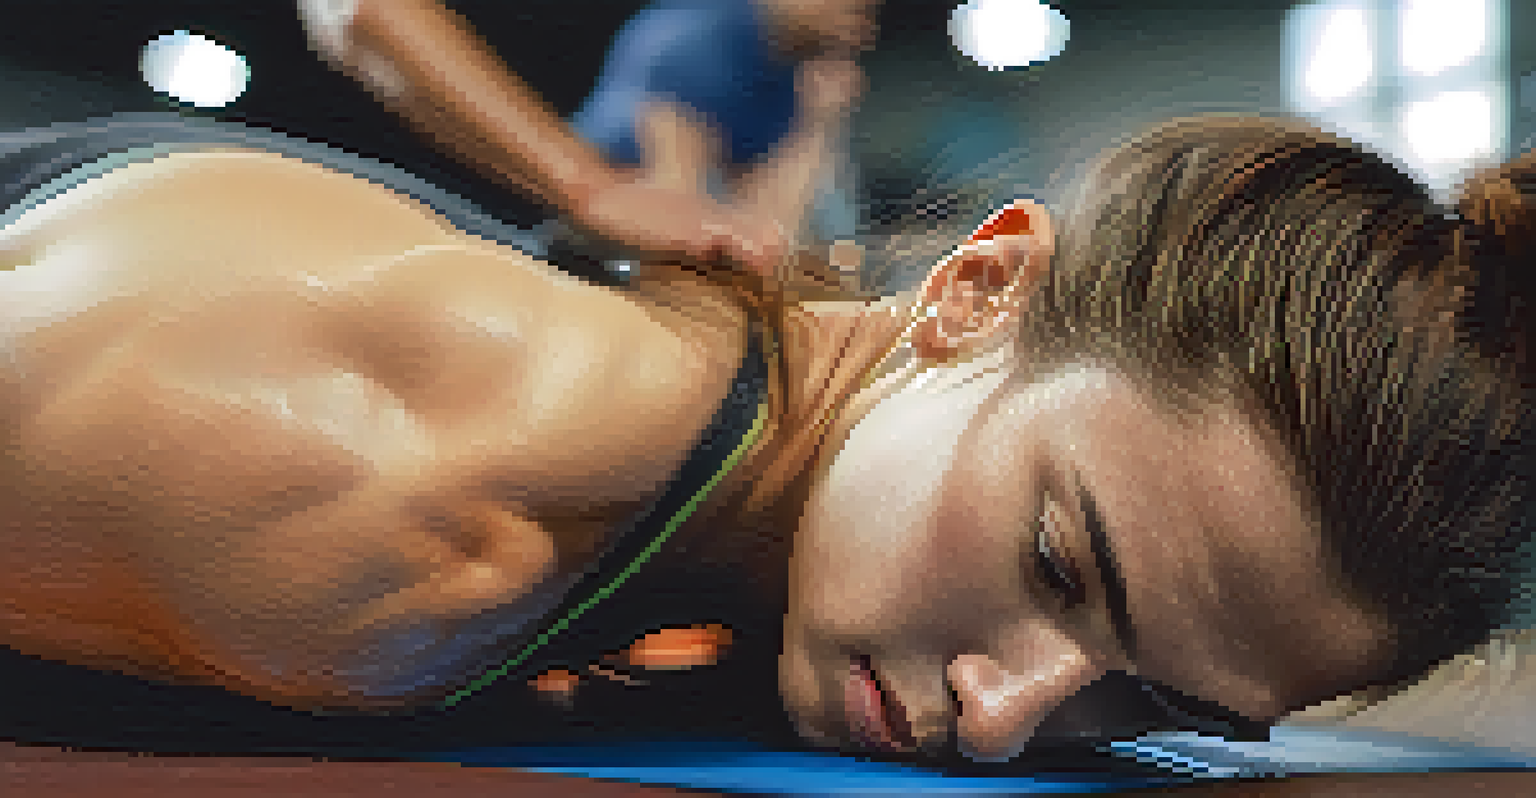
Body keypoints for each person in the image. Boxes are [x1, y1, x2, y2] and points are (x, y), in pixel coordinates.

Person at [297, 0, 873, 286]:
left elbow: (764, 226)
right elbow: (682, 206)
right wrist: (589, 188)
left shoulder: (794, 80)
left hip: (614, 223)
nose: (864, 16)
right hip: (551, 233)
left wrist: (817, 122)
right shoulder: (696, 37)